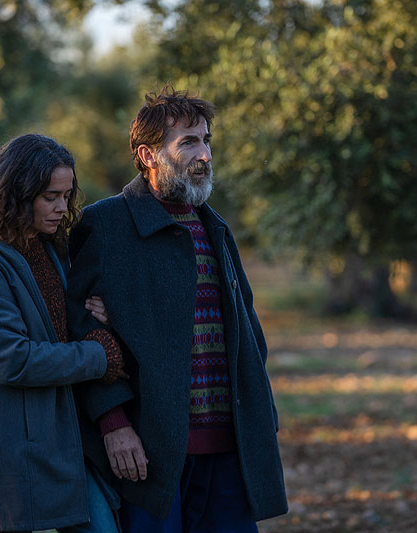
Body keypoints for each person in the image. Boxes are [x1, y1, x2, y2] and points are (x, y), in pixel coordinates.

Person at [66, 86, 287, 532]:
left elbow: (246, 328)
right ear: (148, 155)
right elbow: (79, 327)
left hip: (230, 446)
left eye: (206, 140)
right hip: (151, 450)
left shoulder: (215, 227)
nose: (203, 153)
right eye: (188, 141)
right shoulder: (105, 224)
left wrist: (262, 414)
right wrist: (113, 422)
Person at [0, 133, 125, 532]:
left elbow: (62, 328)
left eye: (67, 195)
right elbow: (12, 360)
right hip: (4, 447)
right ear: (16, 195)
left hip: (63, 436)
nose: (62, 208)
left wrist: (106, 319)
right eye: (50, 197)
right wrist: (100, 355)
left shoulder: (47, 247)